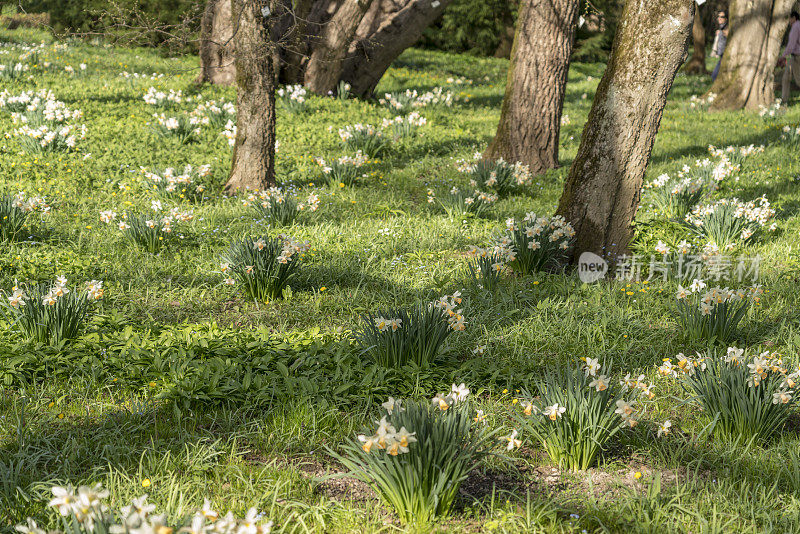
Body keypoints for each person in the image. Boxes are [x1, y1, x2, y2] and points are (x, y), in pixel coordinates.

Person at [779, 11, 800, 104]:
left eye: (789, 19)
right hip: (794, 57)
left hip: (797, 56)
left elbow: (791, 44)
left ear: (794, 18)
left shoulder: (796, 26)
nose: (789, 21)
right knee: (786, 77)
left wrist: (783, 56)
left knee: (798, 80)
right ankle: (784, 100)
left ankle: (784, 100)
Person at [711, 11, 728, 81]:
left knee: (714, 75)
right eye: (718, 16)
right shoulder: (721, 27)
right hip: (722, 54)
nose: (719, 18)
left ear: (726, 19)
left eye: (722, 17)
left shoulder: (727, 27)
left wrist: (722, 32)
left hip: (725, 54)